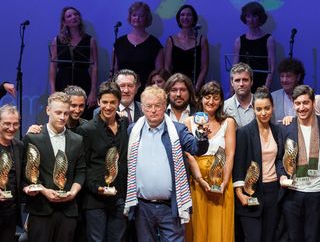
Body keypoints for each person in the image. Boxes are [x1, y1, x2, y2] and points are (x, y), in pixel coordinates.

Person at [124, 86, 209, 242]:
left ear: (164, 106)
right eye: (149, 106)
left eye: (157, 106)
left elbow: (197, 149)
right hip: (143, 207)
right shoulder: (133, 130)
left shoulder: (178, 130)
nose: (153, 110)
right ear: (142, 108)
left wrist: (202, 136)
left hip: (170, 206)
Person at [22, 92, 86, 242]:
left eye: (66, 113)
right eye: (58, 112)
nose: (62, 117)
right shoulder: (33, 137)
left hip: (68, 211)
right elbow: (27, 173)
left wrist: (73, 192)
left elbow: (81, 171)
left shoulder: (77, 140)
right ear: (48, 110)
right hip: (41, 209)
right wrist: (44, 191)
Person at [278, 85, 320, 242]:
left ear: (313, 102)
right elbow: (279, 158)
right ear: (293, 104)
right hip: (292, 192)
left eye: (305, 103)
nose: (301, 108)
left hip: (318, 192)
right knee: (294, 237)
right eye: (297, 104)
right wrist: (282, 176)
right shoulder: (285, 127)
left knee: (313, 237)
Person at [184, 81, 236, 242]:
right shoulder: (189, 121)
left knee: (219, 227)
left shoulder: (228, 122)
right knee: (199, 226)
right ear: (200, 99)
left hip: (221, 183)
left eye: (215, 98)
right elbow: (189, 154)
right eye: (207, 97)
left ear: (221, 101)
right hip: (197, 182)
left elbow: (230, 154)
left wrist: (224, 183)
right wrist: (199, 179)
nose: (211, 102)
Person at [77, 82, 129, 242]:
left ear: (119, 103)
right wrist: (95, 187)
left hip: (119, 196)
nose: (108, 106)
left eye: (113, 102)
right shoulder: (87, 129)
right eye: (104, 102)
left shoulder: (124, 125)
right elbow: (82, 165)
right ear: (98, 102)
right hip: (95, 199)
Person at [233, 87, 283, 242]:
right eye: (259, 109)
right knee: (253, 238)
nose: (263, 113)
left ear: (272, 108)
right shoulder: (244, 133)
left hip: (273, 190)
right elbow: (239, 165)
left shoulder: (277, 130)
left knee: (269, 237)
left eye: (267, 108)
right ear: (253, 109)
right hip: (251, 192)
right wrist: (239, 193)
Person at [49, 6, 98, 111]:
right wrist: (53, 90)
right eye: (69, 16)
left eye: (76, 14)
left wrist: (93, 91)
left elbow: (94, 67)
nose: (74, 17)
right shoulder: (57, 41)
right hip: (63, 81)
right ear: (64, 21)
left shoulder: (90, 40)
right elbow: (53, 66)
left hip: (83, 81)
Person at [114, 1, 164, 100]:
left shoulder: (154, 43)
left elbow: (159, 72)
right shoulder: (119, 42)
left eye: (141, 16)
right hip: (123, 91)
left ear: (147, 19)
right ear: (130, 17)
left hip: (146, 92)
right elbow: (115, 70)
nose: (137, 18)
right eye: (134, 15)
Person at [164, 4, 209, 91]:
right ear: (178, 19)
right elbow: (167, 67)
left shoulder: (201, 40)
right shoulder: (171, 40)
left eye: (189, 15)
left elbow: (204, 68)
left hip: (196, 86)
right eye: (182, 15)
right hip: (176, 86)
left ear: (193, 18)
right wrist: (173, 85)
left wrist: (196, 87)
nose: (185, 17)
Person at [234, 1, 275, 92]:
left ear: (260, 18)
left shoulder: (269, 39)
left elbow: (271, 68)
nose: (251, 20)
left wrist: (265, 89)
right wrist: (233, 88)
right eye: (248, 16)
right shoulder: (239, 41)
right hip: (242, 87)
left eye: (254, 16)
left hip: (261, 86)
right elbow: (234, 68)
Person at [0, 105, 23, 242]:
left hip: (10, 212)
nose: (11, 128)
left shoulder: (19, 146)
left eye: (15, 124)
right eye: (7, 124)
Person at [271, 58, 305, 122]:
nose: (284, 80)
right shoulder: (273, 97)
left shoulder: (307, 97)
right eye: (282, 76)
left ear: (298, 77)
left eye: (288, 76)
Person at [224, 62, 255, 127]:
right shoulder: (224, 107)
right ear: (232, 83)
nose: (241, 84)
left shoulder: (263, 104)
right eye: (237, 80)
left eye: (245, 80)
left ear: (251, 82)